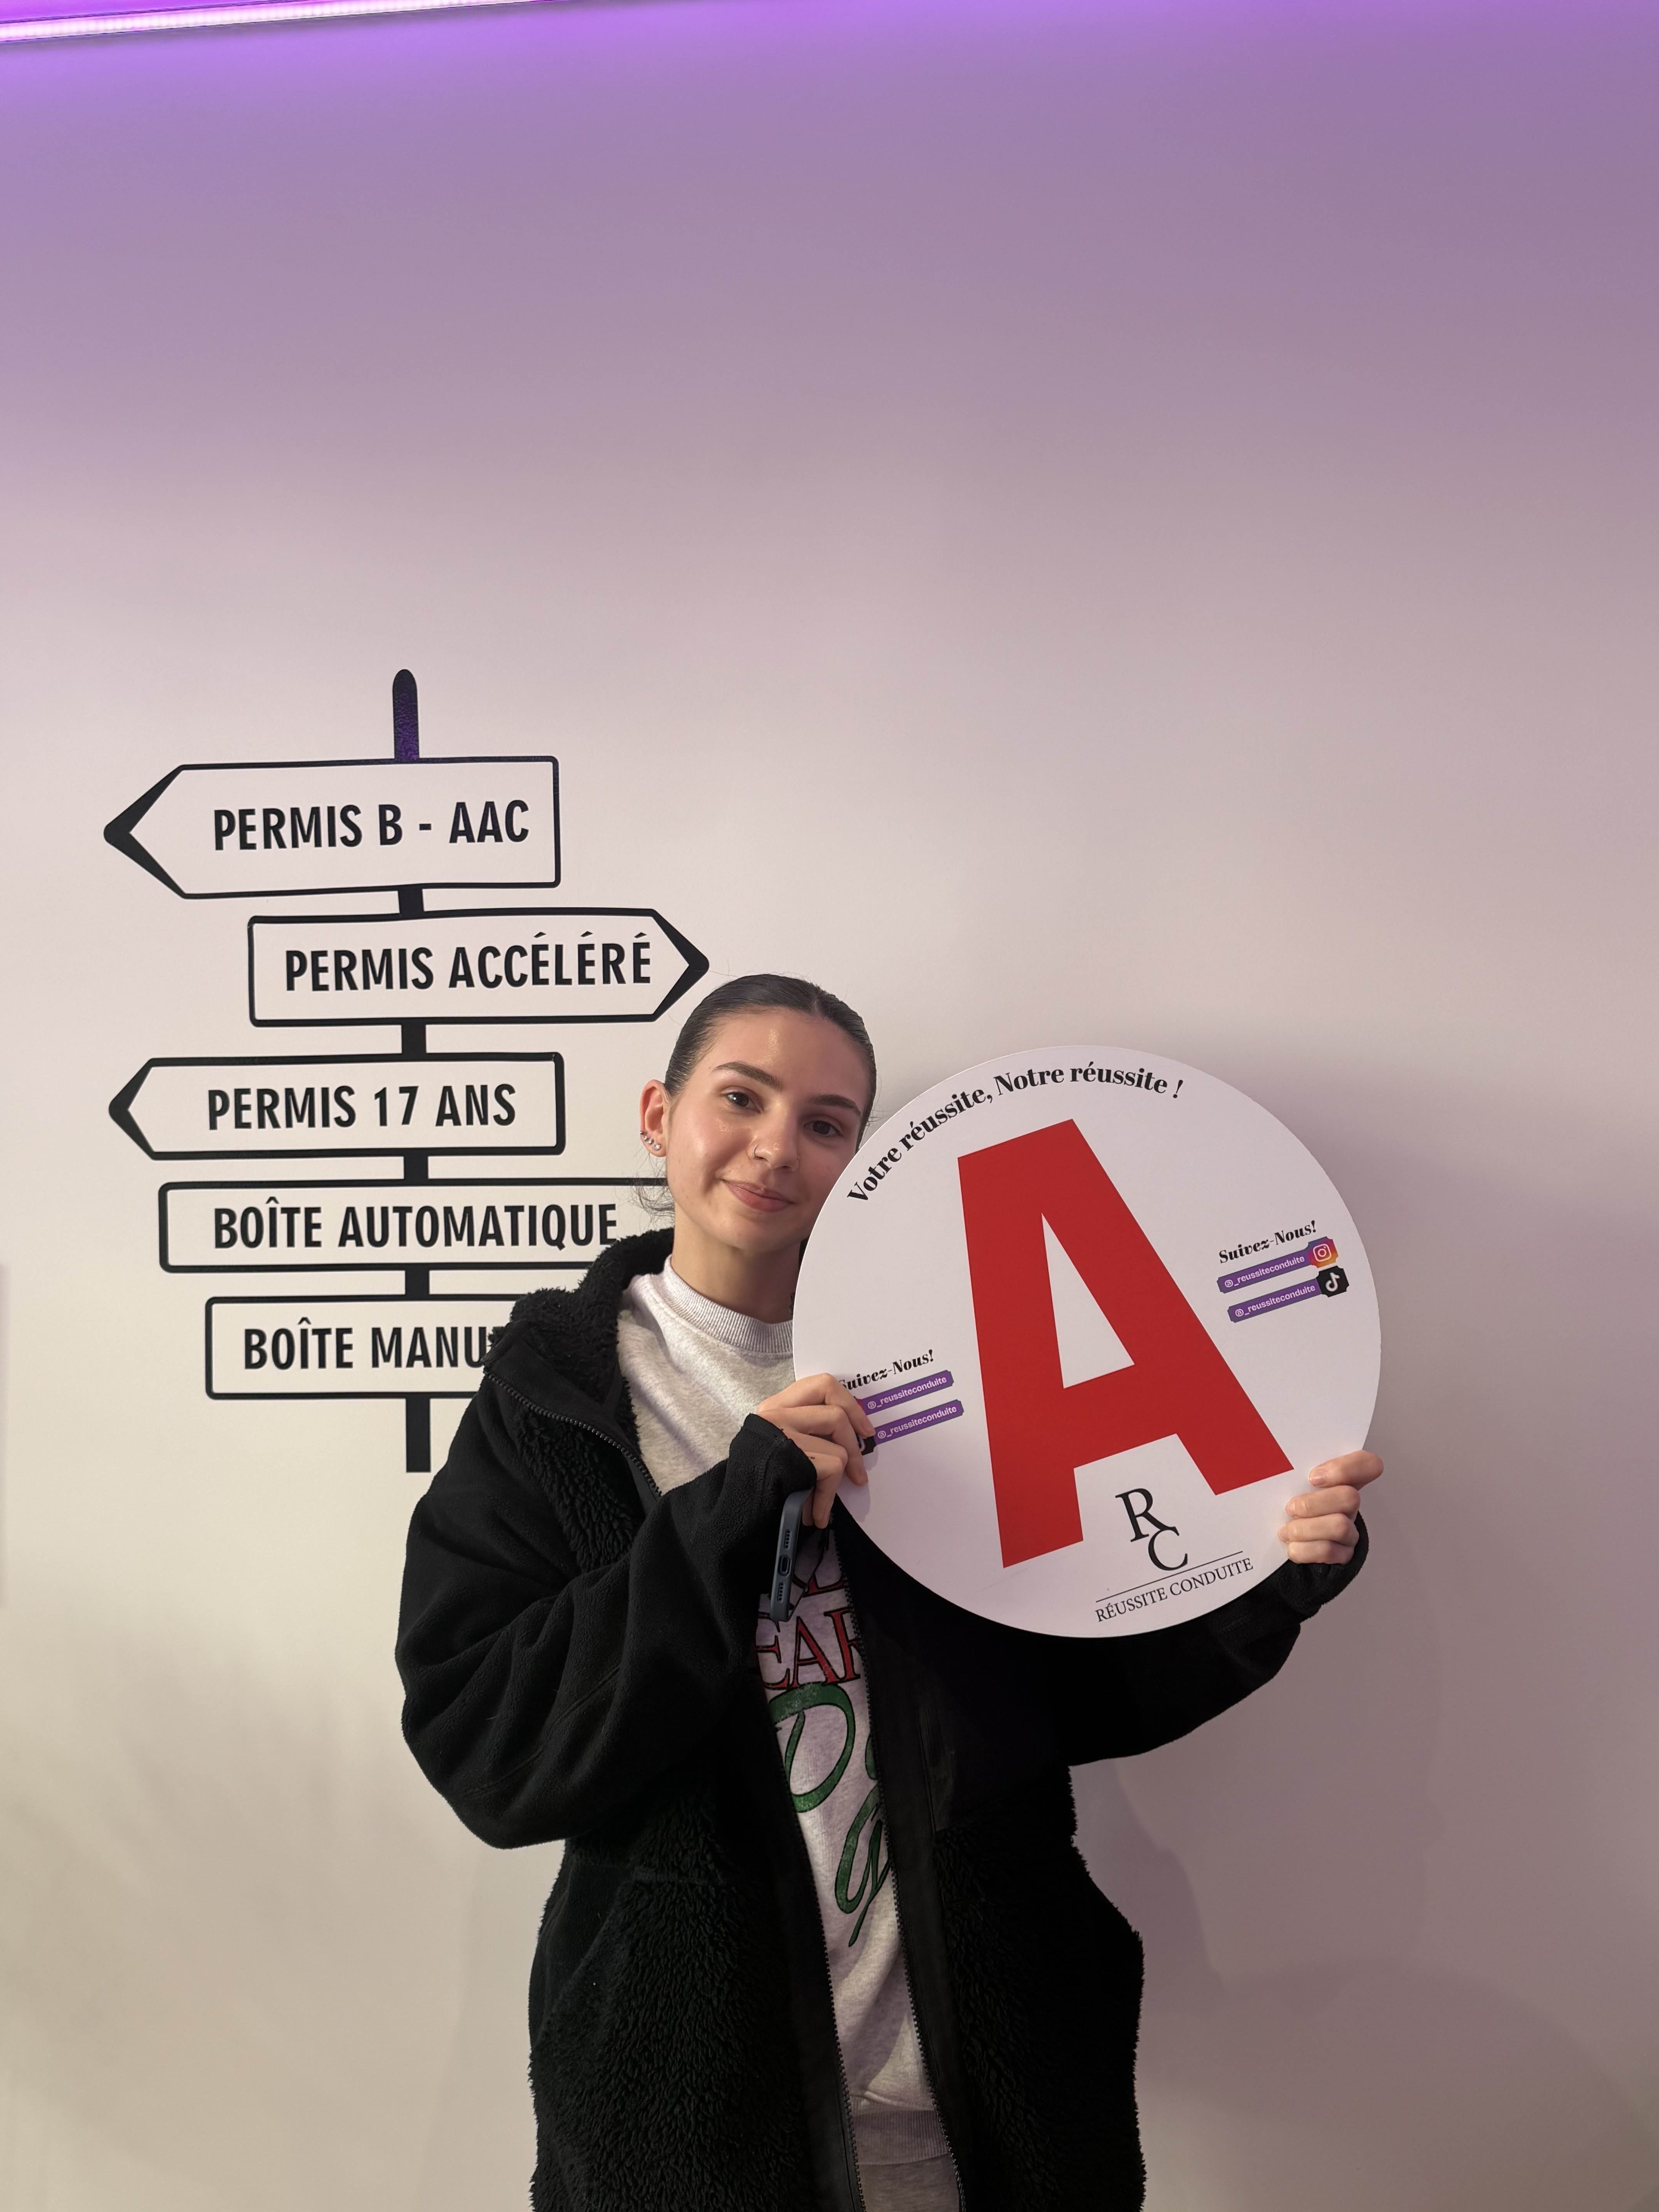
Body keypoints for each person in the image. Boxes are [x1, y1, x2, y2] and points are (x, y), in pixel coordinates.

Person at [396, 975, 1380, 2212]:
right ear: (659, 1116)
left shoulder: (947, 1353)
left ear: (860, 1158)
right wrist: (735, 1501)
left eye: (824, 1121)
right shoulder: (557, 1402)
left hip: (985, 2096)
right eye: (739, 1098)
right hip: (695, 2117)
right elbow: (494, 1748)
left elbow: (1072, 1686)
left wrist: (1262, 1574)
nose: (773, 1147)